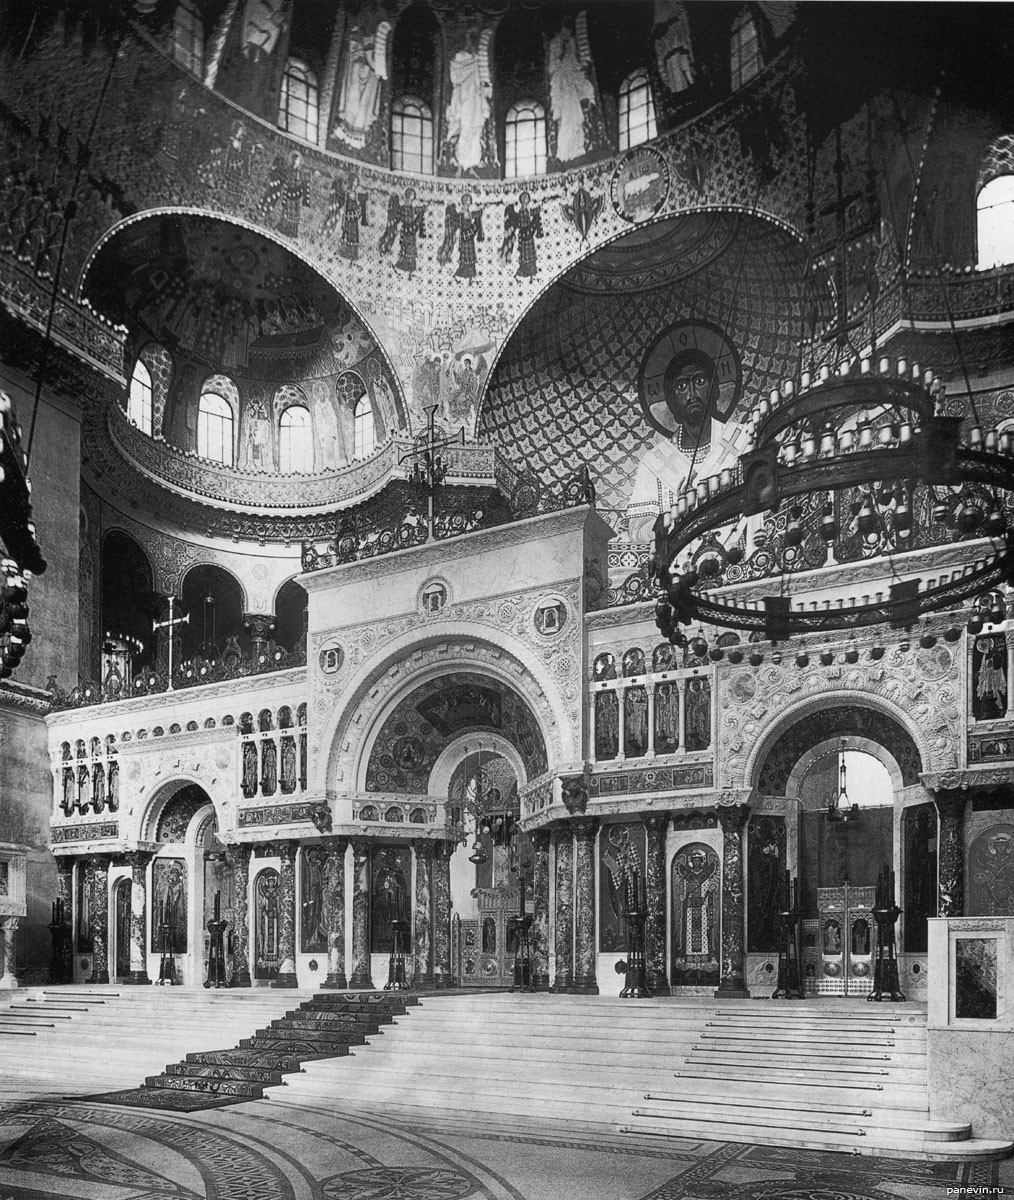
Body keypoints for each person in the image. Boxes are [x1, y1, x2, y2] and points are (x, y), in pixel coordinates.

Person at [446, 32, 492, 173]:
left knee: (475, 129)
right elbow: (455, 77)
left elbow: (485, 82)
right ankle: (464, 159)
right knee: (467, 129)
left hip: (475, 99)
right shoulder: (461, 58)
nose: (472, 45)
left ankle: (471, 159)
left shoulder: (476, 60)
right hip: (465, 99)